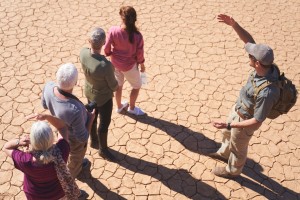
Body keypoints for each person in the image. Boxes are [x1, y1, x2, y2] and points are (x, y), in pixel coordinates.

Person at [209, 14, 280, 178]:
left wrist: (230, 125)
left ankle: (232, 171)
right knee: (227, 136)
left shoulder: (268, 92)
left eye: (251, 55)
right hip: (239, 109)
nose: (248, 54)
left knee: (238, 147)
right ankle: (224, 154)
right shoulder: (265, 64)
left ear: (257, 63)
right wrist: (234, 25)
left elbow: (257, 120)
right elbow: (249, 41)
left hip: (245, 122)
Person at [2, 113, 81, 200]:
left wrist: (20, 142)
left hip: (36, 196)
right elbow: (62, 127)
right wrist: (47, 117)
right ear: (51, 138)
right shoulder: (62, 150)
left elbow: (6, 147)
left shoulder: (25, 160)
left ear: (32, 140)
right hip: (59, 193)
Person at [42, 63, 95, 178]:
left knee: (67, 153)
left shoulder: (48, 87)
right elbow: (83, 137)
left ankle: (78, 163)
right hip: (74, 140)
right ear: (75, 83)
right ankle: (72, 182)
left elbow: (45, 105)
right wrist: (90, 119)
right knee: (75, 158)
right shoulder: (75, 109)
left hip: (60, 132)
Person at [80, 27, 119, 161]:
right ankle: (103, 149)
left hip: (89, 92)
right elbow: (114, 86)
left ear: (89, 41)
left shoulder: (83, 53)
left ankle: (94, 140)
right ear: (103, 43)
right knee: (104, 123)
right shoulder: (105, 65)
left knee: (92, 117)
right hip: (103, 98)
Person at [104, 6, 146, 116]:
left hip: (115, 64)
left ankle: (119, 107)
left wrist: (109, 55)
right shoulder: (138, 36)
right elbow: (140, 54)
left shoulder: (113, 30)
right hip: (130, 66)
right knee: (136, 86)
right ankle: (131, 108)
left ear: (122, 18)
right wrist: (142, 65)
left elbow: (106, 48)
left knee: (119, 85)